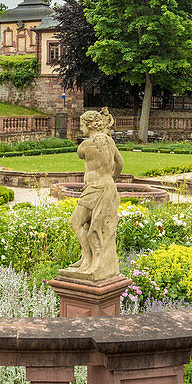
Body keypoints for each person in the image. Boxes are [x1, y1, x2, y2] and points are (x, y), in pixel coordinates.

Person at [61, 108, 123, 281]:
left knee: (76, 222)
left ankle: (88, 258)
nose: (80, 128)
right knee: (98, 226)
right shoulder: (110, 142)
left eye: (81, 125)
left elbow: (82, 156)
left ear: (89, 125)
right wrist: (112, 178)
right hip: (108, 187)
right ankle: (93, 260)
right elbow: (120, 163)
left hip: (93, 189)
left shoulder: (85, 146)